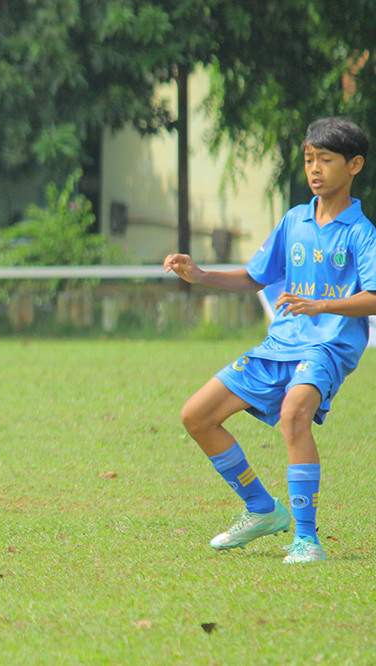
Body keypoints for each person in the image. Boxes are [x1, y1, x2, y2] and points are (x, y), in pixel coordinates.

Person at [164, 117, 376, 564]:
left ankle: (306, 539)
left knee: (294, 411)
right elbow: (254, 277)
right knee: (197, 415)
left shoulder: (361, 233)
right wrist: (200, 275)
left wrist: (323, 306)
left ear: (354, 165)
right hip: (279, 343)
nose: (314, 169)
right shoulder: (294, 220)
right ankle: (262, 509)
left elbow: (374, 297)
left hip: (325, 347)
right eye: (308, 159)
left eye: (326, 160)